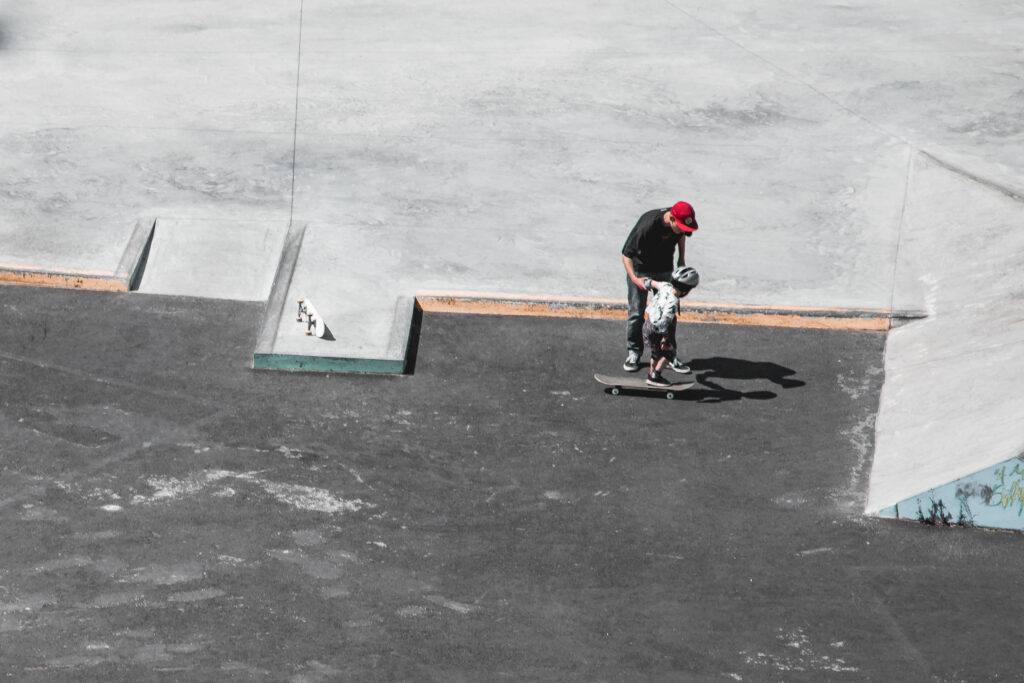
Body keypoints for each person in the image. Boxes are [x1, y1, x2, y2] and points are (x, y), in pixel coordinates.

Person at [621, 201, 698, 372]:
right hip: (640, 270)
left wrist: (681, 259)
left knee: (669, 313)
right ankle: (634, 352)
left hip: (664, 269)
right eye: (679, 226)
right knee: (636, 312)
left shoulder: (679, 225)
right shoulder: (647, 225)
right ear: (670, 218)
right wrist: (635, 279)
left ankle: (669, 355)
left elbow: (682, 235)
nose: (682, 231)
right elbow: (626, 255)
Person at [642, 267, 699, 386]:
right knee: (669, 353)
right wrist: (665, 339)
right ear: (686, 291)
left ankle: (651, 375)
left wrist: (645, 282)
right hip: (657, 329)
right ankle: (655, 377)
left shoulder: (665, 286)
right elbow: (664, 322)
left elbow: (651, 283)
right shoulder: (672, 303)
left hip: (647, 325)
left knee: (655, 353)